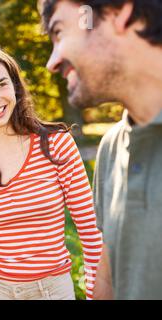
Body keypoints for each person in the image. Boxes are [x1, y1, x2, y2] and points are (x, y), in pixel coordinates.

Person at [0, 43, 103, 300]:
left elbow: (90, 231)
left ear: (15, 88)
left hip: (52, 290)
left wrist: (94, 295)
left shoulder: (56, 144)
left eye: (1, 84)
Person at [40, 0, 162, 299]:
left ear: (117, 11)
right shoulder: (111, 148)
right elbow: (107, 277)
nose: (52, 62)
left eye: (58, 32)